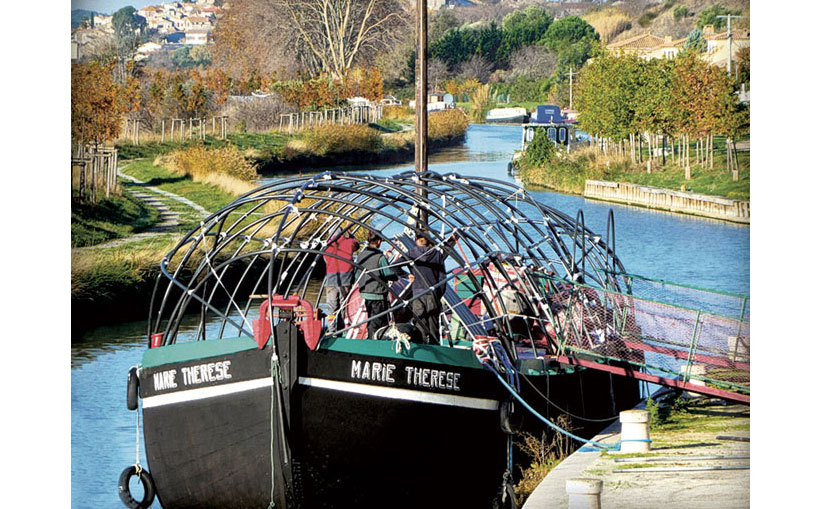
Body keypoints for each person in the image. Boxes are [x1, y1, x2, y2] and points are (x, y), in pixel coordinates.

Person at [404, 229, 457, 344]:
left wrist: (407, 275)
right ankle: (435, 347)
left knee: (420, 322)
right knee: (433, 324)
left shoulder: (411, 253)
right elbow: (442, 278)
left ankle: (421, 348)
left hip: (418, 293)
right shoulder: (436, 254)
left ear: (416, 240)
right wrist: (438, 294)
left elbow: (394, 267)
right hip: (432, 293)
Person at [354, 232, 401, 338]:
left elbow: (357, 275)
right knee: (379, 321)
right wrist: (396, 276)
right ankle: (374, 341)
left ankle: (372, 338)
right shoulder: (380, 257)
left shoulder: (361, 255)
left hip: (365, 293)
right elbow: (387, 273)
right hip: (378, 294)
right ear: (379, 241)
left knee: (371, 317)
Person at [322, 227, 360, 334]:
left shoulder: (327, 245)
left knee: (332, 307)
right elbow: (357, 245)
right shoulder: (349, 242)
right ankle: (343, 329)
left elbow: (325, 259)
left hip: (331, 279)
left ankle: (332, 330)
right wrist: (351, 236)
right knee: (344, 305)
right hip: (346, 279)